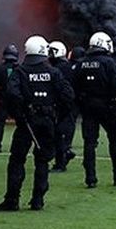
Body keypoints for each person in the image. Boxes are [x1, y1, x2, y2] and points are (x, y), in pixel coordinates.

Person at [0, 36, 75, 212]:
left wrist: (19, 114)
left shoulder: (20, 72)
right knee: (42, 161)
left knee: (16, 161)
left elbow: (11, 94)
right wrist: (57, 116)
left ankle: (12, 200)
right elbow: (68, 96)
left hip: (26, 123)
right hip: (47, 121)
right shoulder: (53, 72)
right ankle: (38, 200)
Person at [73, 32, 116, 188]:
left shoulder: (81, 63)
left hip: (88, 107)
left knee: (89, 143)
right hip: (107, 106)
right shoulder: (108, 62)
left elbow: (75, 86)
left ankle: (90, 179)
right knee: (115, 140)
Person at [48, 41, 76, 171]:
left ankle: (61, 162)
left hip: (62, 106)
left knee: (59, 134)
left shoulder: (58, 69)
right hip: (70, 105)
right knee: (61, 133)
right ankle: (65, 153)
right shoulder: (69, 67)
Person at [0, 45, 20, 154]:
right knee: (22, 123)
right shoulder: (19, 68)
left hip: (3, 99)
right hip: (17, 100)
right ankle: (22, 144)